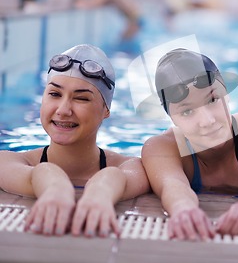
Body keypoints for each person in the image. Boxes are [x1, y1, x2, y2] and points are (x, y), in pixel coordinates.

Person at [0, 44, 150, 237]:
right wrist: (55, 186)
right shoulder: (9, 160)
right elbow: (33, 173)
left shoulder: (132, 166)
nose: (63, 110)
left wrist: (101, 191)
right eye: (54, 94)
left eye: (81, 98)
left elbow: (119, 175)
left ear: (106, 110)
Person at [141, 48, 238, 240]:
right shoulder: (161, 148)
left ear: (226, 94)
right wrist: (182, 208)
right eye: (186, 112)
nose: (207, 121)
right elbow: (173, 186)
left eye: (212, 100)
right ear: (172, 118)